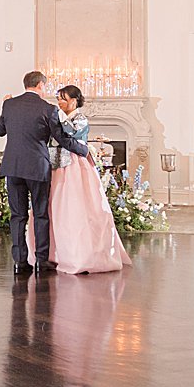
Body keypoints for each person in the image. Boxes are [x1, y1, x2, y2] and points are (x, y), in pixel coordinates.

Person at [0, 72, 89, 276]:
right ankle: (41, 260)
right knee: (40, 214)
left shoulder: (9, 105)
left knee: (17, 215)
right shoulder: (48, 109)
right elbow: (62, 139)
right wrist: (83, 150)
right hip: (37, 167)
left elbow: (0, 131)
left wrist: (4, 109)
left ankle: (19, 261)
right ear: (40, 85)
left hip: (12, 167)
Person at [45, 91, 131, 275]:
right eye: (58, 98)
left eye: (63, 98)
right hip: (56, 166)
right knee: (56, 206)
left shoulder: (80, 119)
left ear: (74, 101)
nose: (59, 102)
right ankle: (55, 252)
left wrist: (58, 119)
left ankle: (79, 254)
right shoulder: (56, 117)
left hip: (75, 165)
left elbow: (71, 134)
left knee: (76, 205)